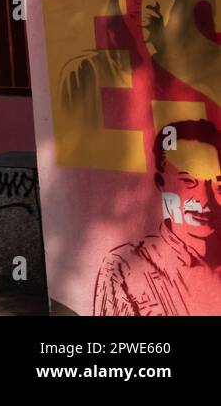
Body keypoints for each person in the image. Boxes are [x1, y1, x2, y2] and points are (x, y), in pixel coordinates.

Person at [94, 120, 221, 315]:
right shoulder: (124, 266)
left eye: (217, 186)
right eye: (188, 181)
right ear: (161, 182)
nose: (205, 200)